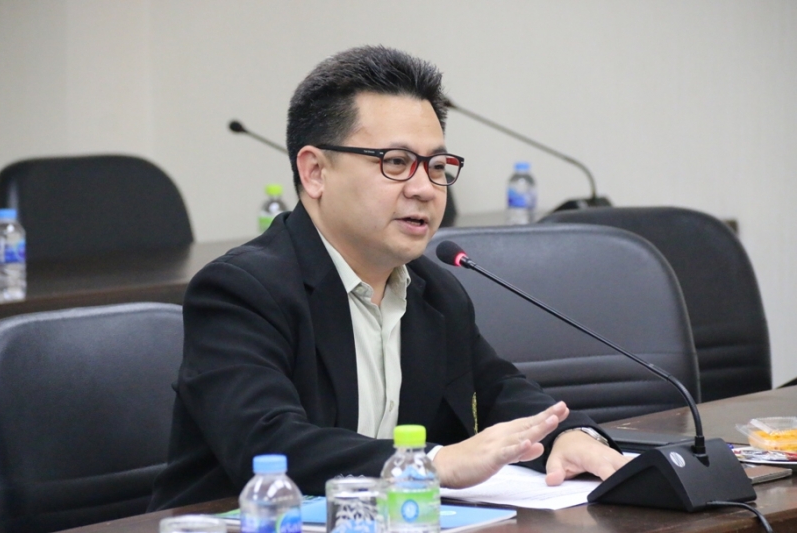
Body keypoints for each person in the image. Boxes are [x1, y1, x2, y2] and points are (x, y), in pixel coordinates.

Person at [149, 45, 629, 510]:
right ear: (315, 172)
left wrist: (568, 434)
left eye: (436, 166)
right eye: (396, 162)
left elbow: (496, 389)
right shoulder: (240, 291)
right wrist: (434, 464)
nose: (424, 188)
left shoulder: (433, 291)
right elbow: (268, 442)